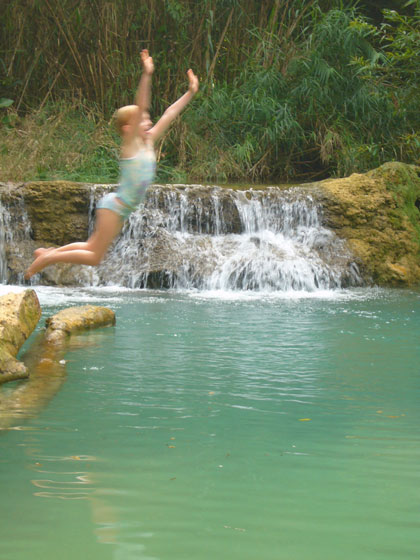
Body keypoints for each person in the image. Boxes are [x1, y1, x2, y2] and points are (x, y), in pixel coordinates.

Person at [24, 49, 199, 280]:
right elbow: (141, 101)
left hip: (121, 208)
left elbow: (170, 113)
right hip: (115, 206)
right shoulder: (131, 146)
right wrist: (146, 75)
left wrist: (190, 92)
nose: (148, 121)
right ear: (128, 128)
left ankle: (50, 252)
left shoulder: (148, 141)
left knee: (91, 246)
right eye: (142, 119)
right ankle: (48, 259)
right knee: (95, 256)